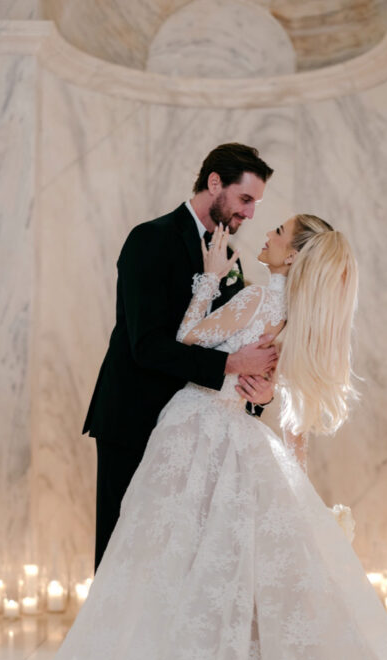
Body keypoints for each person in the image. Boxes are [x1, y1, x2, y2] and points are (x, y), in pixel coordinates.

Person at [0, 217, 387, 660]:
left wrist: (208, 279)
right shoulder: (298, 319)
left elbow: (187, 340)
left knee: (170, 569)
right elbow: (293, 422)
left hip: (196, 430)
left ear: (292, 258)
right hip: (243, 440)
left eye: (278, 231)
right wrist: (295, 482)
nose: (269, 233)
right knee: (223, 575)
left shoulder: (257, 299)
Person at [83, 143, 281, 569]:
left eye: (255, 204)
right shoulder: (150, 238)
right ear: (215, 184)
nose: (250, 214)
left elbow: (228, 339)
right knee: (125, 558)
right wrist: (231, 366)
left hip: (196, 430)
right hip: (136, 418)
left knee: (181, 566)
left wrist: (257, 394)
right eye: (245, 199)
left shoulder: (229, 255)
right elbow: (147, 345)